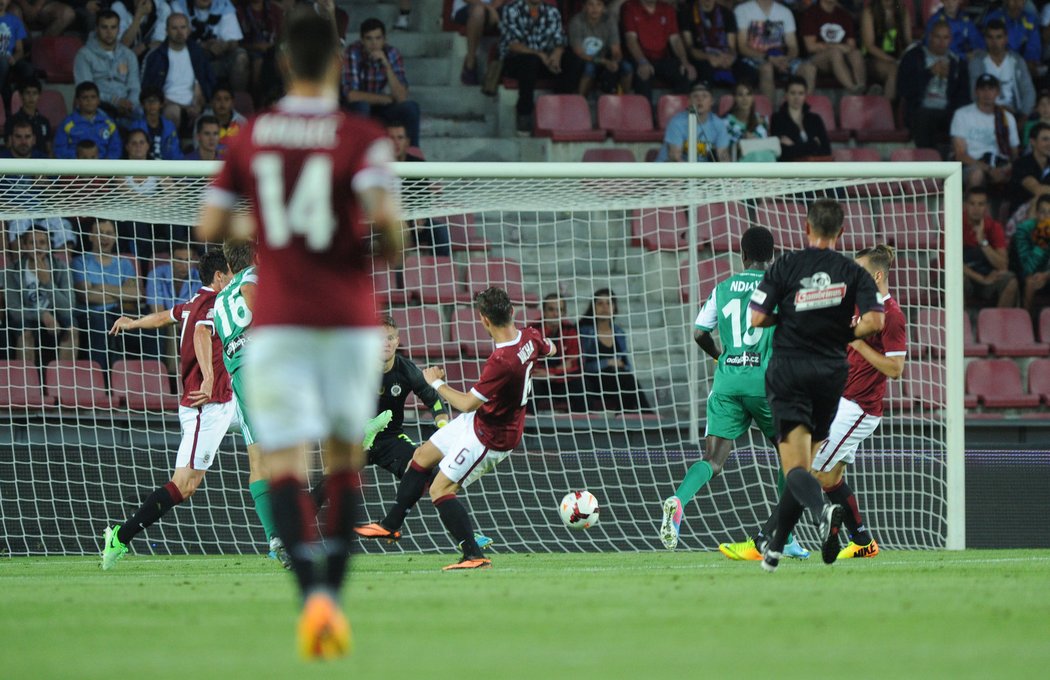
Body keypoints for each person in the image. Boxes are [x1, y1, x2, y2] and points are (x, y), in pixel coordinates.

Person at [195, 7, 404, 659]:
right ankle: (332, 601)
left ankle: (308, 591)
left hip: (279, 324)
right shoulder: (361, 135)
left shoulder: (253, 135)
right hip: (343, 322)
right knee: (343, 461)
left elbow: (209, 226)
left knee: (281, 461)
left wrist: (269, 231)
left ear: (283, 63)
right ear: (339, 65)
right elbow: (391, 233)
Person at [722, 243, 906, 562]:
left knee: (806, 470)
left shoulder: (890, 315)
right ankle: (863, 542)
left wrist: (859, 344)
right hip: (838, 398)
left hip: (858, 407)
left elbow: (896, 369)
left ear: (877, 275)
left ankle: (763, 541)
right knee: (831, 478)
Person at [355, 287, 557, 571]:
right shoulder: (531, 336)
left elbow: (466, 403)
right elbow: (551, 348)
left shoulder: (501, 362)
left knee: (440, 489)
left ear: (483, 319)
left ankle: (473, 554)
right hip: (483, 419)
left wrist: (434, 382)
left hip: (492, 435)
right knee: (422, 456)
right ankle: (390, 525)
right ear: (512, 312)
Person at [746, 199, 885, 572]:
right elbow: (874, 322)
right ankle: (774, 549)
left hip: (790, 371)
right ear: (840, 232)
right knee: (807, 465)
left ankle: (822, 511)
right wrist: (843, 331)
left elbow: (757, 317)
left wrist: (789, 319)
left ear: (806, 228)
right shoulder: (850, 271)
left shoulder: (786, 265)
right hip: (830, 375)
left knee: (795, 468)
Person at [660, 227, 807, 560]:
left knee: (713, 459)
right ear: (773, 255)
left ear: (741, 255)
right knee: (792, 458)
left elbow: (699, 333)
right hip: (765, 384)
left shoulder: (722, 288)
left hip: (727, 383)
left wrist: (720, 357)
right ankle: (785, 535)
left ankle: (679, 501)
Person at [100, 250, 235, 569]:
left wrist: (132, 323)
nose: (233, 280)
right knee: (185, 485)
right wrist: (210, 378)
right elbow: (203, 333)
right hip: (207, 405)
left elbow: (164, 317)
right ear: (219, 277)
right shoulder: (212, 304)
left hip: (227, 400)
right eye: (230, 274)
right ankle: (121, 536)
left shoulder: (191, 303)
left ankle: (283, 535)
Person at [71, 218, 140, 370]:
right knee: (100, 323)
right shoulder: (79, 262)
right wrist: (121, 293)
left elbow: (136, 294)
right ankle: (101, 378)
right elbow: (87, 296)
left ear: (115, 236)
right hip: (91, 314)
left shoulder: (125, 263)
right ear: (90, 236)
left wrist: (101, 287)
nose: (105, 237)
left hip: (120, 312)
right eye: (100, 233)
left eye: (109, 233)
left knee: (149, 322)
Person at [4, 226, 78, 367]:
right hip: (27, 317)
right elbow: (14, 310)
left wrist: (47, 283)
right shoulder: (12, 271)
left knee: (72, 328)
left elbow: (68, 308)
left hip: (56, 316)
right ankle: (25, 383)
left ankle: (63, 382)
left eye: (42, 242)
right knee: (25, 333)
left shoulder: (61, 267)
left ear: (49, 245)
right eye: (32, 242)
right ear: (24, 246)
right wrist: (42, 314)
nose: (38, 247)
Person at [343, 18, 421, 147]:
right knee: (362, 106)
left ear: (385, 39)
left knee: (411, 108)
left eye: (378, 38)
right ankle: (360, 153)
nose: (374, 43)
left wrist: (386, 65)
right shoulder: (353, 52)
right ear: (362, 40)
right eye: (369, 39)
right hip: (358, 108)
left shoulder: (392, 53)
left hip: (382, 108)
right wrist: (386, 99)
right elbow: (352, 95)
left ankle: (412, 156)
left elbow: (401, 97)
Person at [500, 0, 575, 133]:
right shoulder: (512, 10)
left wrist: (557, 54)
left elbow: (560, 38)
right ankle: (524, 113)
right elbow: (512, 44)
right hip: (517, 60)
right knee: (530, 60)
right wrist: (540, 54)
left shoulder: (552, 11)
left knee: (571, 59)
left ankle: (560, 108)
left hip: (545, 60)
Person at [898, 19, 970, 152]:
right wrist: (928, 73)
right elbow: (904, 88)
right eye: (937, 37)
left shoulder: (957, 63)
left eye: (945, 38)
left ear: (951, 39)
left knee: (963, 117)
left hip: (948, 111)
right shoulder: (914, 56)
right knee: (924, 116)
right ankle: (928, 162)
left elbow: (964, 95)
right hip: (921, 110)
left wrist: (952, 78)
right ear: (930, 36)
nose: (941, 42)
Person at [579, 287, 652, 412]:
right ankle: (646, 414)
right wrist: (607, 362)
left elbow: (626, 363)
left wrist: (620, 366)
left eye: (609, 303)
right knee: (627, 381)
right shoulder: (585, 332)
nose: (605, 307)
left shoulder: (619, 332)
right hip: (593, 382)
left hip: (616, 380)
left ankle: (630, 418)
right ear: (594, 307)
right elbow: (583, 367)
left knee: (627, 380)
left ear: (614, 308)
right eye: (600, 303)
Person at [141, 13, 215, 131]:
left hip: (196, 106)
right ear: (166, 31)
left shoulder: (197, 52)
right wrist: (185, 108)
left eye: (183, 27)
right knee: (173, 112)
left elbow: (209, 83)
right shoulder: (156, 56)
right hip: (167, 106)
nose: (179, 32)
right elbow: (149, 91)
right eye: (174, 28)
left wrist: (200, 105)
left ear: (189, 30)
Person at [950, 73, 1019, 190]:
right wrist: (989, 169)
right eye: (982, 89)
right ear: (976, 92)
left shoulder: (1006, 117)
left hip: (1000, 164)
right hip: (971, 164)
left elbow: (1014, 152)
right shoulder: (962, 114)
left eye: (991, 89)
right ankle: (969, 207)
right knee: (977, 174)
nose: (987, 93)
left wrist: (1007, 168)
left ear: (997, 92)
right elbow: (960, 154)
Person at [74, 10, 142, 123]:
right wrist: (115, 101)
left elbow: (135, 87)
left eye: (113, 27)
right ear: (96, 28)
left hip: (127, 106)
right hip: (99, 106)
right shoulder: (84, 55)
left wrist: (130, 104)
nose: (109, 32)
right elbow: (85, 91)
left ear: (119, 29)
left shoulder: (128, 55)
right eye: (104, 27)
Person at [621, 0, 695, 104]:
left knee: (685, 73)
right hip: (640, 58)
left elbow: (675, 39)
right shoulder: (630, 7)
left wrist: (685, 62)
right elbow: (630, 40)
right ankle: (647, 118)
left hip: (661, 57)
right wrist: (642, 62)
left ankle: (686, 117)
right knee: (643, 74)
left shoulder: (667, 9)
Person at [734, 0, 804, 105]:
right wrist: (768, 58)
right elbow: (742, 47)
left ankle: (803, 115)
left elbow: (793, 46)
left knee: (809, 69)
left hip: (781, 59)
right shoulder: (742, 10)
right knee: (767, 68)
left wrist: (786, 60)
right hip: (755, 58)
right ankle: (769, 117)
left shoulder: (785, 12)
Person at [962, 186, 1019, 309]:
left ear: (986, 207)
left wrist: (983, 242)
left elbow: (1003, 265)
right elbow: (950, 263)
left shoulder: (994, 227)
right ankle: (961, 326)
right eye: (972, 204)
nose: (976, 209)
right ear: (965, 205)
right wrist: (981, 278)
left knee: (1010, 281)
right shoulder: (955, 223)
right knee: (956, 280)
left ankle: (997, 326)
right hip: (966, 275)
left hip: (987, 274)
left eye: (981, 204)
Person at [968, 19, 1035, 119]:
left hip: (1014, 114)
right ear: (985, 39)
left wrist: (1023, 116)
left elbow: (1028, 91)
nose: (994, 42)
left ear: (1006, 38)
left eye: (999, 37)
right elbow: (975, 93)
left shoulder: (1017, 61)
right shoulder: (977, 62)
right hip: (985, 113)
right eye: (990, 37)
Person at [529, 293, 586, 412]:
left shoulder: (571, 330)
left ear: (564, 313)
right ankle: (529, 428)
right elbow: (529, 363)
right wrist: (560, 369)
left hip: (562, 379)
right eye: (551, 309)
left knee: (581, 386)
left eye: (560, 310)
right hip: (539, 380)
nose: (556, 314)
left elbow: (575, 364)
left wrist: (551, 373)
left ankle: (583, 427)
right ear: (543, 311)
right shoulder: (533, 330)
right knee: (528, 388)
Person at [799, 0, 865, 94]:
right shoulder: (811, 13)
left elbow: (851, 45)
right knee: (835, 53)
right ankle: (853, 89)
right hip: (818, 60)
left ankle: (862, 87)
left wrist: (841, 48)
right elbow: (811, 47)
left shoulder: (843, 14)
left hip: (841, 57)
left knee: (856, 53)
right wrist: (837, 47)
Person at [656, 80, 730, 162]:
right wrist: (692, 174)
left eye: (704, 96)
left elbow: (722, 155)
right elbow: (675, 157)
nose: (700, 100)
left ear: (712, 101)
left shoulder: (718, 124)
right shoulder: (677, 123)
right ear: (689, 101)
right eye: (695, 96)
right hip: (670, 171)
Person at [568, 0, 630, 97]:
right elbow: (579, 52)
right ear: (584, 7)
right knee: (589, 68)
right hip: (584, 59)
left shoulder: (610, 21)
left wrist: (615, 60)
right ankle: (580, 102)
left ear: (604, 8)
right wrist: (604, 62)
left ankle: (626, 101)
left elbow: (616, 49)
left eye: (598, 5)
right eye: (591, 4)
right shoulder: (576, 22)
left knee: (627, 67)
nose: (595, 8)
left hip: (605, 58)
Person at [678, 0, 740, 88]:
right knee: (705, 68)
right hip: (700, 56)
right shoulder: (686, 13)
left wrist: (730, 57)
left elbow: (732, 47)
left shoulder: (727, 13)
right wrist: (708, 57)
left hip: (723, 54)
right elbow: (689, 48)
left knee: (743, 70)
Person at [54, 81, 122, 160]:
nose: (89, 101)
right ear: (78, 101)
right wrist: (78, 158)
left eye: (93, 97)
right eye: (85, 97)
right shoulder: (67, 124)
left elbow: (116, 149)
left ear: (98, 100)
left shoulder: (109, 124)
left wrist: (105, 164)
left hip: (103, 168)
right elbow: (60, 150)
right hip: (75, 168)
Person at [770, 75, 830, 161]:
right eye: (793, 93)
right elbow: (783, 152)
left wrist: (794, 146)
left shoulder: (815, 119)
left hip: (815, 170)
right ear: (786, 95)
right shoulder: (777, 118)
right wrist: (813, 144)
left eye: (801, 93)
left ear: (805, 95)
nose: (796, 97)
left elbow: (826, 150)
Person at [860, 0, 910, 101]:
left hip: (897, 57)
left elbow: (908, 41)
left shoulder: (902, 10)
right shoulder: (869, 12)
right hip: (873, 59)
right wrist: (892, 60)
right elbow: (870, 46)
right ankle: (887, 109)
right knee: (893, 70)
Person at [1010, 194, 1050, 313]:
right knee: (1030, 281)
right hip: (1024, 273)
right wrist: (1042, 241)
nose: (1047, 217)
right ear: (1037, 214)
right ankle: (1027, 324)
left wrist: (1046, 275)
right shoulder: (1024, 230)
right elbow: (1027, 268)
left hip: (1047, 274)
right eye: (1043, 212)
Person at [235, 0, 281, 100]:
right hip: (250, 50)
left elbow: (283, 36)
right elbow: (236, 43)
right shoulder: (239, 11)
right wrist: (256, 46)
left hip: (273, 49)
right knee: (258, 60)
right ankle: (257, 98)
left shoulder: (275, 9)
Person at [983, 0, 1041, 79]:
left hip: (1023, 69)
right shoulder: (993, 18)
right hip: (996, 66)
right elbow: (989, 47)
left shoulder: (1031, 19)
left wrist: (1027, 65)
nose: (1016, 3)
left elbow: (1033, 50)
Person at [451, 0, 504, 86]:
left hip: (492, 8)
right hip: (467, 7)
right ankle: (470, 64)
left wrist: (494, 7)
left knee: (514, 12)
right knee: (479, 11)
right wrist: (489, 8)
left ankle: (502, 68)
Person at [724, 80, 775, 161]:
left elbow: (767, 145)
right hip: (741, 163)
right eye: (740, 95)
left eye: (748, 94)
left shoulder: (762, 120)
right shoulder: (726, 122)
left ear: (752, 98)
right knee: (756, 155)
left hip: (764, 161)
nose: (745, 99)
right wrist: (742, 142)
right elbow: (724, 150)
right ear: (735, 98)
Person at [131, 86, 183, 160]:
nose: (152, 104)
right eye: (148, 101)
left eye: (155, 100)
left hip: (166, 169)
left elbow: (175, 153)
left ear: (161, 104)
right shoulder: (136, 126)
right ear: (143, 105)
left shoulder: (170, 126)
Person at [5, 79, 52, 157]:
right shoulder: (12, 121)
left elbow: (48, 148)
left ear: (39, 96)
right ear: (21, 95)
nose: (31, 97)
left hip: (40, 163)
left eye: (35, 93)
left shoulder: (44, 121)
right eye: (27, 93)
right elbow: (9, 147)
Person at [0, 0, 32, 113]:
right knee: (2, 63)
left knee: (28, 68)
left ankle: (18, 101)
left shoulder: (15, 21)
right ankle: (5, 103)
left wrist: (14, 58)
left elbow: (20, 50)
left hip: (9, 59)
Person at [1011, 121, 1050, 211]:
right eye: (1045, 139)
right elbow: (1037, 190)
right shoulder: (1021, 164)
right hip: (1023, 213)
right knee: (1037, 201)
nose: (1049, 143)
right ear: (1032, 142)